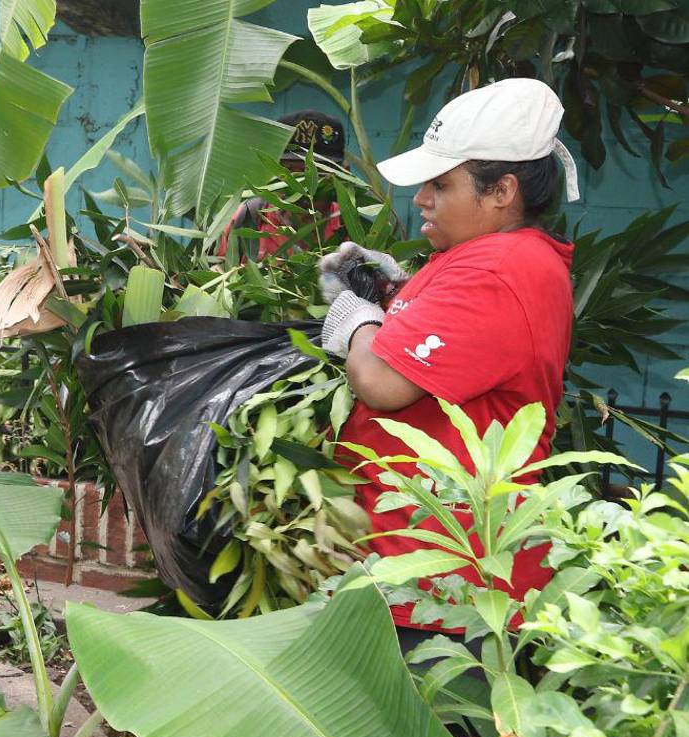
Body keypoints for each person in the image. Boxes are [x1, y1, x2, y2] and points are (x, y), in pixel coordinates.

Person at [319, 77, 581, 645]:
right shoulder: (476, 256)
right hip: (414, 570)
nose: (422, 200)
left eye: (441, 184)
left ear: (501, 191)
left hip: (446, 591)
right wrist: (388, 290)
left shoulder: (499, 271)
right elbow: (440, 333)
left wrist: (355, 319)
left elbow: (383, 382)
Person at [218, 110, 346, 262]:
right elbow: (216, 272)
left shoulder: (350, 229)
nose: (300, 184)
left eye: (312, 172)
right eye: (290, 170)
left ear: (339, 173)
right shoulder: (246, 219)